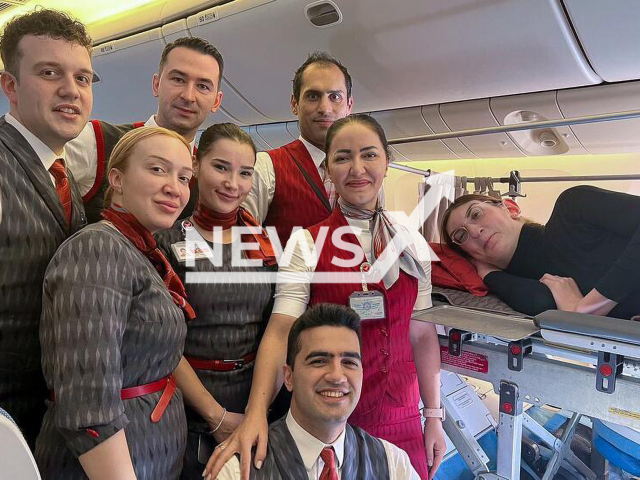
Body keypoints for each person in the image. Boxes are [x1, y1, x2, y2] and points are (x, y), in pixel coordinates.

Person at [206, 114, 446, 480]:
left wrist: (433, 415)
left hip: (403, 416)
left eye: (369, 155)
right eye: (342, 158)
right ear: (328, 171)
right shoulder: (306, 243)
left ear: (387, 161)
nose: (357, 169)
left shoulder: (411, 242)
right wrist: (256, 412)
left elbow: (422, 334)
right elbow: (281, 329)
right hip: (330, 412)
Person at [35, 127, 195, 479]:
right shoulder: (97, 249)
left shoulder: (136, 249)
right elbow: (87, 405)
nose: (175, 187)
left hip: (149, 456)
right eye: (158, 169)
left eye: (184, 177)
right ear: (117, 179)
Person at [155, 123, 276, 479]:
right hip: (188, 402)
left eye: (244, 173)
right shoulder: (165, 240)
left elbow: (274, 331)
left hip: (257, 396)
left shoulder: (265, 244)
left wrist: (256, 411)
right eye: (221, 167)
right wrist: (215, 416)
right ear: (196, 164)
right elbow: (161, 341)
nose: (232, 183)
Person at [0, 9, 91, 447]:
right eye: (50, 73)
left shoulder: (62, 170)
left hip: (46, 421)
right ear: (10, 86)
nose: (71, 90)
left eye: (83, 78)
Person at [215, 303, 420, 480]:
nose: (337, 376)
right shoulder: (236, 470)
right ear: (289, 377)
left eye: (349, 362)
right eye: (319, 361)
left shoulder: (393, 463)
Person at [66, 36, 224, 223]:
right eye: (178, 79)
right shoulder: (96, 141)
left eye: (203, 86)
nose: (188, 96)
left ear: (216, 101)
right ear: (156, 85)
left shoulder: (207, 176)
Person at [440, 186, 640, 319]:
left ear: (510, 207)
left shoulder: (571, 208)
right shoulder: (537, 289)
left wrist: (586, 308)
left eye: (476, 214)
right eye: (461, 236)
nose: (475, 231)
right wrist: (487, 273)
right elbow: (538, 302)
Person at [243, 51, 354, 246]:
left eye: (335, 97)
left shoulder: (365, 173)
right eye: (313, 96)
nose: (325, 108)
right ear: (294, 104)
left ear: (349, 105)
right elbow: (246, 246)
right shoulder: (266, 167)